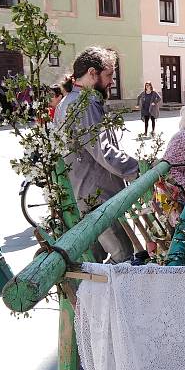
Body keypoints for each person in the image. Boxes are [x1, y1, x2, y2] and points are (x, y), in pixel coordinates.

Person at [54, 47, 138, 262]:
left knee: (95, 259)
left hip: (87, 192)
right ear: (92, 73)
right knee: (124, 256)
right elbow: (104, 150)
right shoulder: (83, 103)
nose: (111, 81)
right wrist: (137, 170)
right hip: (97, 196)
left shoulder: (70, 101)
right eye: (109, 75)